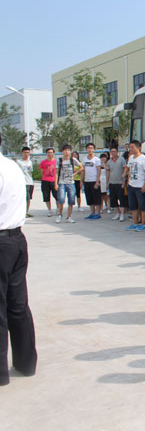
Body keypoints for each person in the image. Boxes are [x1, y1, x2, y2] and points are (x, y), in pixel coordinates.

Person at [0, 131, 37, 386]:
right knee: (18, 305)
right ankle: (26, 364)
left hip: (1, 242)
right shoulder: (12, 166)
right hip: (17, 241)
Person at [125, 140, 145, 232]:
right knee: (133, 206)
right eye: (129, 147)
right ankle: (135, 223)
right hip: (131, 185)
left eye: (132, 147)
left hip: (140, 185)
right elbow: (129, 169)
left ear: (138, 147)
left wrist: (144, 185)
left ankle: (143, 224)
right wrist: (128, 180)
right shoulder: (131, 157)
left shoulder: (144, 158)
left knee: (142, 205)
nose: (130, 149)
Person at [54, 144, 82, 224]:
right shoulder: (59, 160)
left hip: (71, 183)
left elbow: (81, 167)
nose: (67, 152)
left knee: (71, 200)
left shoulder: (73, 160)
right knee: (61, 199)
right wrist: (56, 183)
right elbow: (56, 173)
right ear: (62, 151)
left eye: (68, 150)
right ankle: (59, 215)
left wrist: (75, 173)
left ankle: (69, 217)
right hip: (62, 183)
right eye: (65, 150)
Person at [105, 147, 128, 222]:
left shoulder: (121, 159)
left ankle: (122, 214)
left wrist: (123, 182)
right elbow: (108, 172)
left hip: (120, 182)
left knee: (121, 199)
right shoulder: (109, 161)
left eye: (114, 151)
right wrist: (107, 183)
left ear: (117, 152)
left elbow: (125, 169)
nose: (113, 153)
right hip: (112, 183)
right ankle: (117, 213)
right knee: (113, 199)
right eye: (112, 151)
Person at [81, 143, 102, 220]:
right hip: (87, 180)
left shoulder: (97, 159)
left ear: (94, 149)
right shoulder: (84, 159)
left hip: (94, 181)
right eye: (88, 148)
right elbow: (83, 170)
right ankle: (92, 213)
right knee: (89, 198)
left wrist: (97, 181)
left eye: (91, 148)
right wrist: (81, 181)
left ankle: (98, 213)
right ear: (86, 149)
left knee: (96, 198)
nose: (90, 149)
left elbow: (99, 170)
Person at [16, 147, 34, 218]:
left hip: (30, 182)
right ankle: (21, 212)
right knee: (23, 198)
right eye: (25, 152)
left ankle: (26, 212)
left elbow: (31, 171)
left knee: (29, 198)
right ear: (22, 153)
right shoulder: (19, 162)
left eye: (28, 152)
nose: (26, 154)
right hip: (23, 182)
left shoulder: (30, 162)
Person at [39, 148, 57, 216]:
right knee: (46, 197)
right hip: (45, 181)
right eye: (48, 152)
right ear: (46, 154)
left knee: (57, 196)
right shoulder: (43, 162)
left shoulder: (56, 162)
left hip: (54, 181)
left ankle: (58, 209)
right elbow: (42, 172)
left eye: (51, 152)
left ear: (53, 153)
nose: (50, 154)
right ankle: (49, 210)